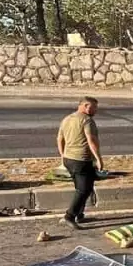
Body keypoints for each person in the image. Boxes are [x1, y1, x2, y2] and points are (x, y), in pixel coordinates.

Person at [57, 96, 103, 229]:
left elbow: (59, 138)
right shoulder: (87, 120)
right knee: (84, 189)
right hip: (81, 160)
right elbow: (91, 141)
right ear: (86, 106)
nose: (96, 110)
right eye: (94, 107)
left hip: (69, 159)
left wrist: (63, 155)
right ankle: (70, 216)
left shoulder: (67, 119)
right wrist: (98, 159)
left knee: (82, 187)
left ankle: (79, 214)